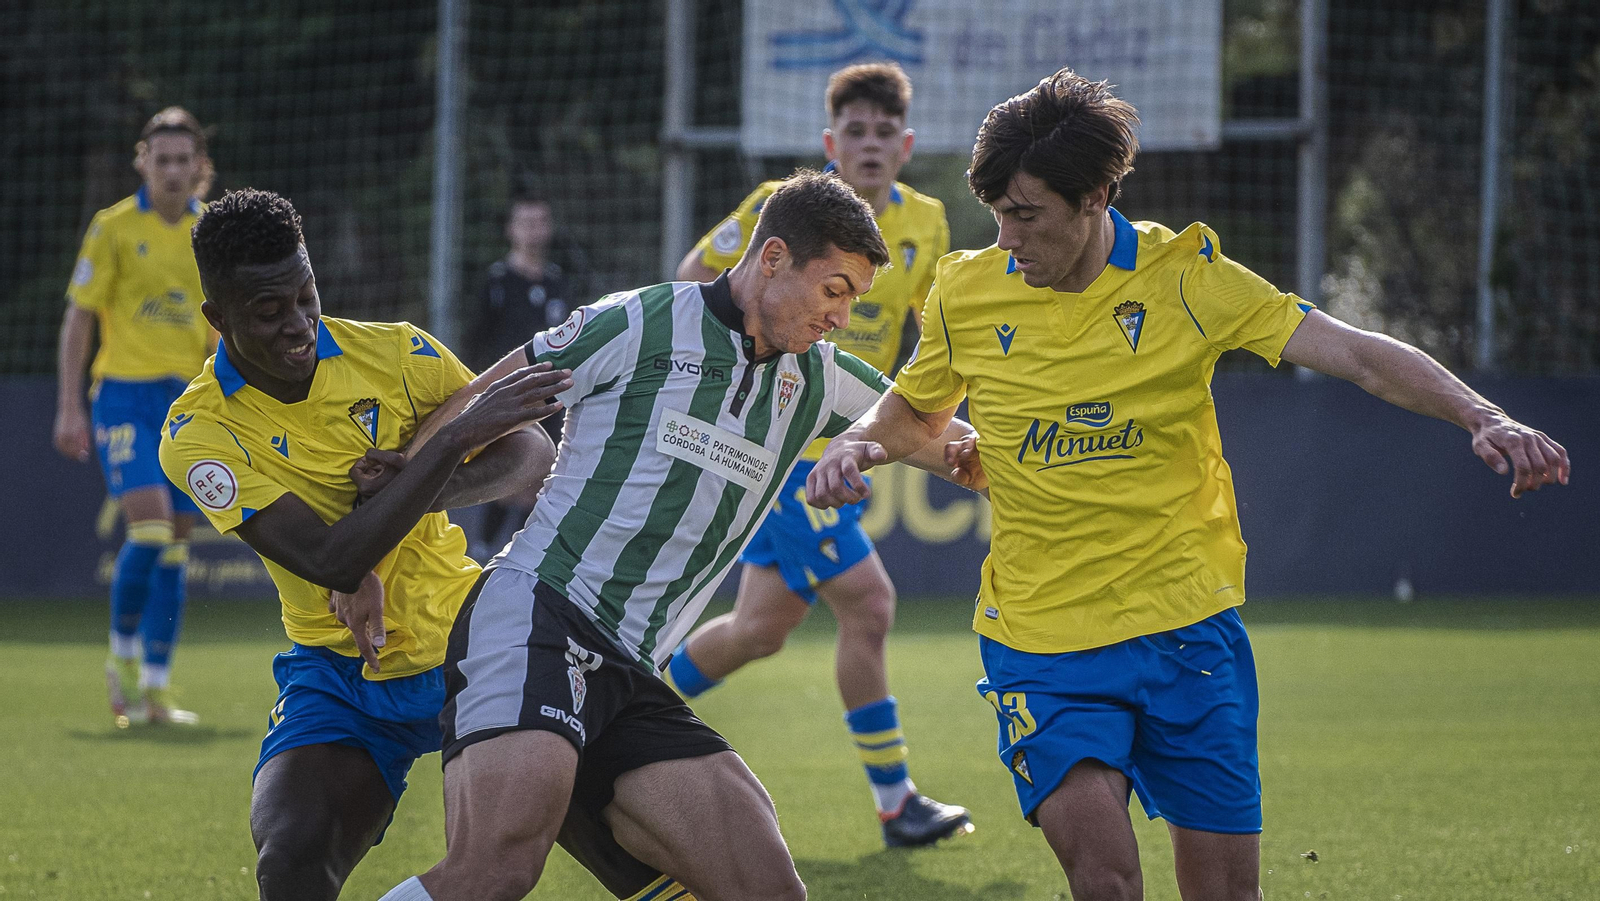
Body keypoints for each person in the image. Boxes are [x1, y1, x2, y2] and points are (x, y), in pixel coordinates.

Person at [807, 68, 1570, 901]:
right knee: (1105, 879)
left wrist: (1482, 414)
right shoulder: (964, 288)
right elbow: (916, 410)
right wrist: (859, 446)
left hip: (1188, 632)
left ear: (1096, 196)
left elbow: (1352, 351)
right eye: (997, 216)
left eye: (1027, 215)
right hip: (1041, 640)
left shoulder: (1186, 277)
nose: (1008, 238)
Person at [378, 169, 982, 901]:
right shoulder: (636, 323)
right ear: (772, 258)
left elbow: (946, 441)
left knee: (767, 887)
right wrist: (367, 558)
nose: (844, 316)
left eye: (854, 298)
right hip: (537, 614)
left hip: (632, 668)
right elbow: (473, 409)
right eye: (834, 289)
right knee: (495, 869)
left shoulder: (820, 378)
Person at [159, 188, 695, 901]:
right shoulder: (197, 434)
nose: (299, 326)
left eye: (307, 296)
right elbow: (328, 560)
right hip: (339, 677)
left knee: (636, 860)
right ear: (216, 318)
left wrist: (418, 482)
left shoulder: (397, 352)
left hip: (472, 649)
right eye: (268, 312)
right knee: (290, 860)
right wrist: (450, 443)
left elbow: (527, 455)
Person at [668, 61, 967, 847]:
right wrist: (755, 359)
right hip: (782, 440)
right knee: (869, 604)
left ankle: (625, 702)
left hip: (849, 427)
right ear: (831, 143)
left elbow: (936, 334)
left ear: (904, 147)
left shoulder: (928, 222)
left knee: (761, 629)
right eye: (854, 134)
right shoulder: (784, 212)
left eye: (882, 135)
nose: (869, 147)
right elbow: (695, 276)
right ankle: (897, 799)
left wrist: (911, 410)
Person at [54, 106, 219, 727]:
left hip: (187, 400)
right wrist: (70, 404)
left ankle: (155, 689)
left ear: (199, 168)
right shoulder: (113, 227)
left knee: (176, 548)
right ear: (142, 161)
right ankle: (120, 664)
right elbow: (80, 317)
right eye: (162, 159)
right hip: (123, 394)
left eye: (184, 160)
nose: (173, 171)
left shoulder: (212, 231)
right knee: (149, 534)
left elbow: (219, 329)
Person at [462, 193, 588, 559]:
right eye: (526, 223)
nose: (534, 231)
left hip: (554, 397)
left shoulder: (558, 281)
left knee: (545, 479)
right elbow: (478, 339)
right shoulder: (498, 281)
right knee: (507, 475)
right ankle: (482, 550)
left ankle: (526, 557)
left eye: (541, 222)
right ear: (511, 230)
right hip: (509, 395)